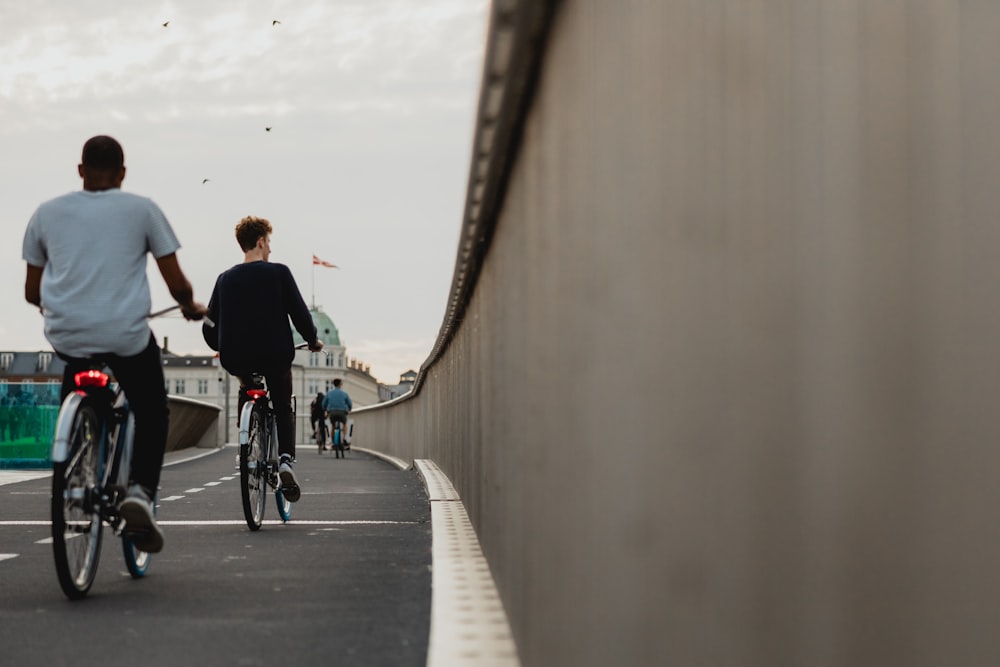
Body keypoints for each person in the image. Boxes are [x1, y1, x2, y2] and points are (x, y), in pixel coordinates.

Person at [22, 135, 207, 553]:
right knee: (151, 407)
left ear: (80, 170)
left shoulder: (46, 213)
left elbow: (32, 292)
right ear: (123, 173)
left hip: (68, 335)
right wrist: (190, 305)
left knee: (79, 381)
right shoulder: (141, 209)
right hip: (124, 335)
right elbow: (175, 281)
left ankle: (76, 456)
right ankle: (140, 492)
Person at [202, 216, 323, 502]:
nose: (269, 249)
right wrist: (313, 340)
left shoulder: (225, 279)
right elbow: (301, 316)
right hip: (275, 354)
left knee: (247, 385)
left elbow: (208, 325)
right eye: (268, 242)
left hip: (236, 355)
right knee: (282, 403)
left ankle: (245, 446)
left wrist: (218, 345)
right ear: (260, 241)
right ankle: (284, 461)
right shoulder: (279, 273)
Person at [322, 378, 352, 449]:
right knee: (344, 424)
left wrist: (326, 410)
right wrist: (349, 409)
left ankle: (333, 442)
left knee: (333, 426)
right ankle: (344, 439)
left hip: (332, 412)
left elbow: (323, 404)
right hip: (342, 412)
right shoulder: (344, 394)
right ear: (340, 384)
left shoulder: (329, 393)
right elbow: (349, 404)